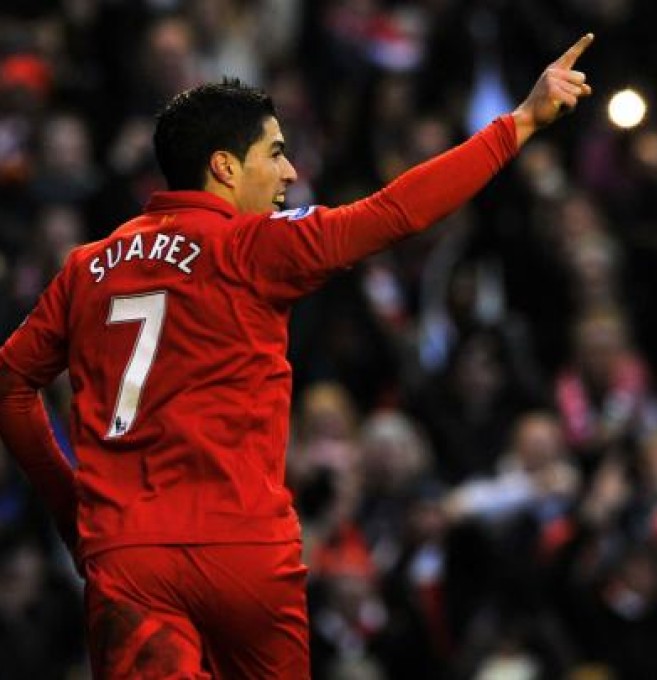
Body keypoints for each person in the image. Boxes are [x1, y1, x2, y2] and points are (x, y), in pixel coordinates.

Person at [0, 33, 595, 679]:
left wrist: (71, 506)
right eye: (275, 153)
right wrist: (521, 122)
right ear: (226, 167)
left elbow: (10, 383)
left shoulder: (86, 268)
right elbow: (396, 211)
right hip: (244, 550)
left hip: (128, 553)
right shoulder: (254, 246)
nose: (289, 172)